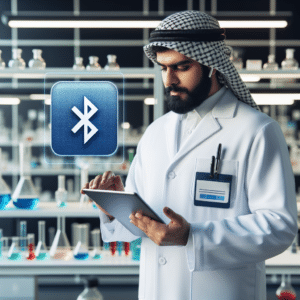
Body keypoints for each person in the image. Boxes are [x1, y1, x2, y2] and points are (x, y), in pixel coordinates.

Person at [81, 10, 298, 300]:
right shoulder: (155, 133)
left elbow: (279, 226)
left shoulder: (256, 130)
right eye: (162, 67)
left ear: (212, 65)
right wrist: (116, 209)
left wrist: (193, 237)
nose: (169, 79)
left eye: (181, 67)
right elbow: (142, 226)